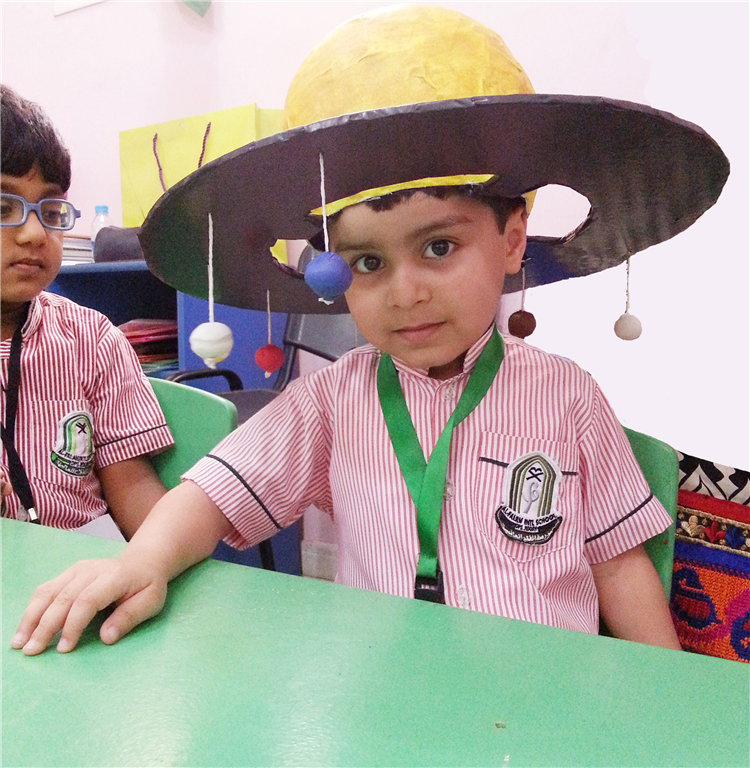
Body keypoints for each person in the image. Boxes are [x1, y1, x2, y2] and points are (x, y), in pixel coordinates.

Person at [12, 3, 726, 656]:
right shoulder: (333, 398)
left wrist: (663, 691)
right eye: (367, 262)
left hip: (543, 696)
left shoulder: (568, 397)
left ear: (512, 239)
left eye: (439, 246)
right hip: (383, 697)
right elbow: (212, 495)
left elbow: (617, 564)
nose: (405, 292)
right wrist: (142, 561)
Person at [0, 84, 173, 539]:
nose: (35, 233)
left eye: (50, 209)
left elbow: (131, 485)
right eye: (3, 207)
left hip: (85, 559)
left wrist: (163, 555)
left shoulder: (91, 339)